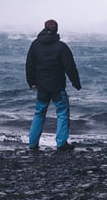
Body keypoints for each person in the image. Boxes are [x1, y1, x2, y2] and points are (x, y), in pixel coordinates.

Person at [24, 18, 81, 151]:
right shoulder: (61, 46)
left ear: (44, 28)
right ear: (56, 30)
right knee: (62, 113)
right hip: (57, 87)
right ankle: (61, 143)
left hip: (42, 87)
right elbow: (70, 67)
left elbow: (29, 65)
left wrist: (31, 82)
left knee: (39, 113)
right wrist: (76, 83)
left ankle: (32, 144)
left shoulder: (35, 44)